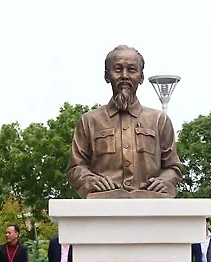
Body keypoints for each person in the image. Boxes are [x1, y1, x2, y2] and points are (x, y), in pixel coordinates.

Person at [67, 45, 182, 197]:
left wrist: (164, 181)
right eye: (118, 69)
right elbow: (76, 167)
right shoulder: (89, 121)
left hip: (150, 205)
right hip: (102, 206)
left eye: (132, 70)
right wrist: (89, 181)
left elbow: (173, 167)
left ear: (141, 77)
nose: (125, 76)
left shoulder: (159, 120)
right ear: (107, 76)